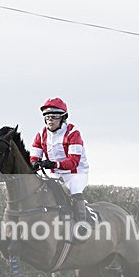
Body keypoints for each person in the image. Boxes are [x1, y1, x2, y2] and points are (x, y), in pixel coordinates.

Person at [29, 97, 91, 228]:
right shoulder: (41, 134)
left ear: (63, 118)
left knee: (74, 191)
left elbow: (73, 162)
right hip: (55, 174)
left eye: (54, 116)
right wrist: (34, 163)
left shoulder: (73, 133)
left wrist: (53, 164)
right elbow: (34, 156)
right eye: (47, 116)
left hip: (75, 173)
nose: (50, 120)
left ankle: (82, 224)